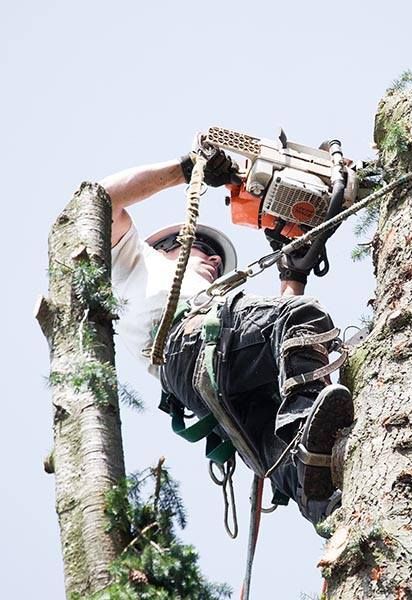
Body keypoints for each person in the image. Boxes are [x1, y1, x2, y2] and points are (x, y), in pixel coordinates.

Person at [99, 149, 353, 525]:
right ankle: (308, 427)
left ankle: (327, 505)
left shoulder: (215, 299)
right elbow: (100, 199)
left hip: (214, 382)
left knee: (278, 453)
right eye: (203, 248)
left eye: (217, 258)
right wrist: (186, 170)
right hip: (192, 345)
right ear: (168, 248)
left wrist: (292, 276)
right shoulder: (134, 262)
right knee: (302, 315)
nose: (215, 260)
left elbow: (279, 345)